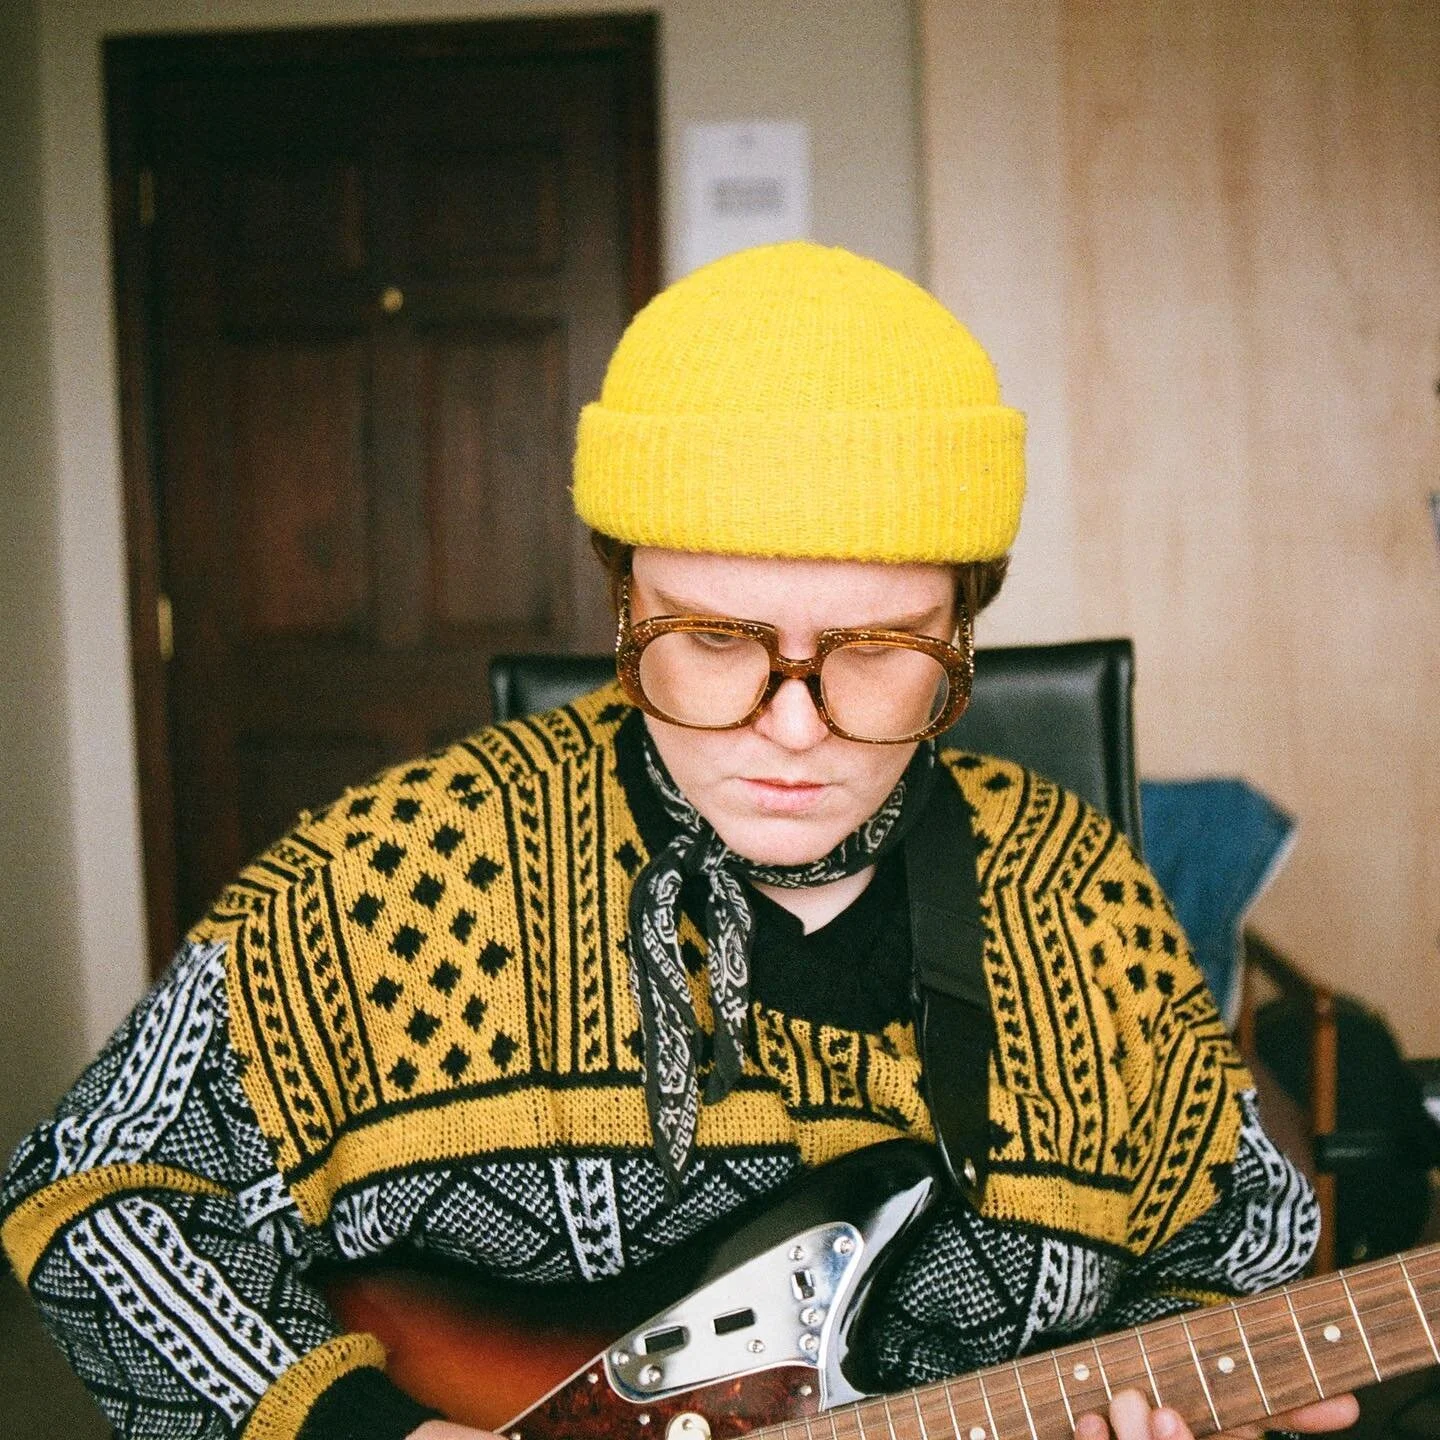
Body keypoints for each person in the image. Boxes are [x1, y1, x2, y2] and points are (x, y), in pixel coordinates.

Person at [1, 243, 1357, 1440]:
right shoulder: (393, 876)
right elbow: (92, 1188)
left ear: (966, 626)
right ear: (621, 600)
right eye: (711, 640)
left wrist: (1174, 1377)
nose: (792, 729)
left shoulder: (1082, 891)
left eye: (877, 649)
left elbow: (1241, 1239)